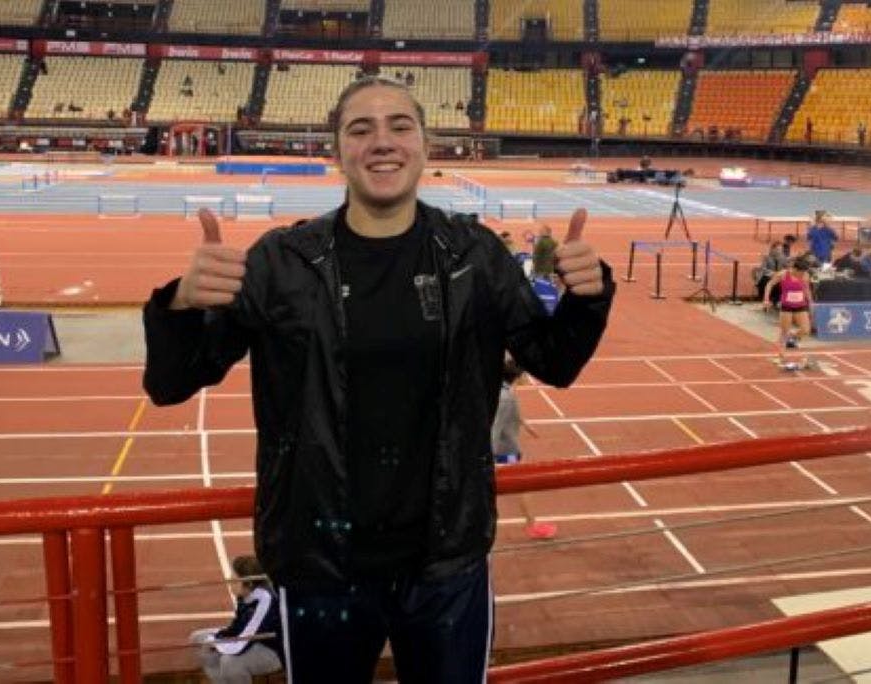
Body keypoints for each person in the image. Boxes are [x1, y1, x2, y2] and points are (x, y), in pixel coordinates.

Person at [143, 76, 614, 683]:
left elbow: (555, 361)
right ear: (337, 152)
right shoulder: (281, 262)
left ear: (425, 144)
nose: (382, 142)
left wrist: (586, 298)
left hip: (446, 565)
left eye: (399, 126)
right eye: (360, 129)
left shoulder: (475, 255)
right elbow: (171, 383)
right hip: (320, 565)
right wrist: (181, 304)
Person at [190, 555, 283, 683]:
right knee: (198, 638)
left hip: (273, 650)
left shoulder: (265, 600)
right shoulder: (244, 593)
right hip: (251, 638)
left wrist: (216, 643)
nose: (229, 581)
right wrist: (216, 638)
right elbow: (236, 627)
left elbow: (246, 639)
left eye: (234, 580)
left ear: (249, 584)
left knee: (229, 662)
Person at [763, 257, 815, 370]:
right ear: (795, 269)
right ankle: (780, 356)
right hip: (786, 307)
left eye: (804, 273)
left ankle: (792, 337)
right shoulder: (783, 274)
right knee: (784, 333)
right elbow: (769, 284)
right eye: (801, 272)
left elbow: (807, 290)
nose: (802, 275)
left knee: (806, 330)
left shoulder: (805, 276)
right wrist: (766, 299)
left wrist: (811, 303)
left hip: (800, 306)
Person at [491, 359, 538, 465]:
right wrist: (489, 459)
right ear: (517, 377)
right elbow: (494, 429)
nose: (527, 378)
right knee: (513, 470)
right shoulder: (506, 398)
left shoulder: (504, 390)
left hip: (506, 449)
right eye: (525, 375)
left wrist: (524, 423)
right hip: (504, 452)